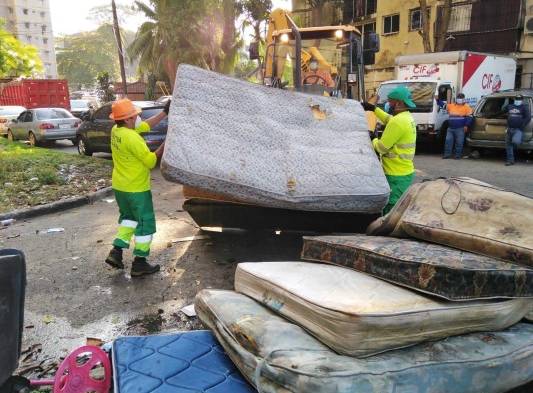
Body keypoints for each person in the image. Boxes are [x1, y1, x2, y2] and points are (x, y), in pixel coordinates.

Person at [105, 98, 170, 277]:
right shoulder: (133, 139)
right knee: (144, 224)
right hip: (137, 189)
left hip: (120, 187)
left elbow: (144, 126)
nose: (137, 118)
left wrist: (165, 113)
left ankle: (116, 252)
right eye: (134, 116)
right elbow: (151, 161)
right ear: (126, 119)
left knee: (129, 219)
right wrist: (168, 142)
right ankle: (140, 263)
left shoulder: (116, 130)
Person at [362, 86, 417, 215]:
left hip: (395, 175)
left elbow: (381, 148)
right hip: (404, 172)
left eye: (390, 101)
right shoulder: (406, 117)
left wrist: (373, 138)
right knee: (398, 206)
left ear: (398, 103)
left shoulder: (398, 122)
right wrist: (374, 109)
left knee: (391, 210)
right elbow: (389, 119)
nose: (388, 104)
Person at [443, 93, 473, 159]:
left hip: (460, 128)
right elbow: (443, 105)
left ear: (463, 99)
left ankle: (457, 156)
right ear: (456, 99)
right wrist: (437, 100)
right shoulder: (451, 106)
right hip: (450, 128)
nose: (459, 99)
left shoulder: (467, 107)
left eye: (461, 98)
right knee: (448, 142)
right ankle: (447, 155)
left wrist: (466, 125)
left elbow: (469, 117)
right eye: (458, 98)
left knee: (459, 143)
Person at [503, 95, 530, 166]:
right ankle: (510, 160)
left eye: (519, 99)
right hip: (509, 128)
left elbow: (528, 117)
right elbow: (503, 110)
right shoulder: (510, 106)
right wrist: (506, 102)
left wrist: (522, 125)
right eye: (516, 99)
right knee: (508, 145)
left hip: (518, 129)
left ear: (522, 100)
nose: (517, 100)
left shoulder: (524, 107)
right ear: (514, 99)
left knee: (516, 142)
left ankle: (516, 156)